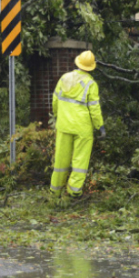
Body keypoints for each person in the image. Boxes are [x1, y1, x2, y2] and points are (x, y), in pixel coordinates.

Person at [49, 51, 105, 198]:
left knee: (61, 159)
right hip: (82, 127)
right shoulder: (91, 83)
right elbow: (94, 108)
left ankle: (55, 190)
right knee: (80, 159)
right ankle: (74, 191)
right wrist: (100, 126)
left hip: (63, 124)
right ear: (91, 67)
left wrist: (57, 116)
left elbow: (55, 100)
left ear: (78, 62)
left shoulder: (64, 78)